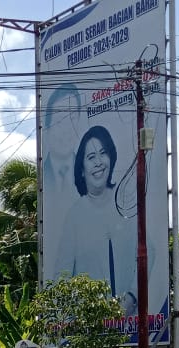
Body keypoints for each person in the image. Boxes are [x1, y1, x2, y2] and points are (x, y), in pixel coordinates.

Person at [54, 125, 138, 314]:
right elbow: (61, 277)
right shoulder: (74, 215)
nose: (99, 162)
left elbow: (149, 253)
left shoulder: (125, 202)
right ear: (82, 170)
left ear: (111, 157)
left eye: (103, 153)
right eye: (91, 157)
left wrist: (132, 296)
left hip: (132, 326)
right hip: (91, 329)